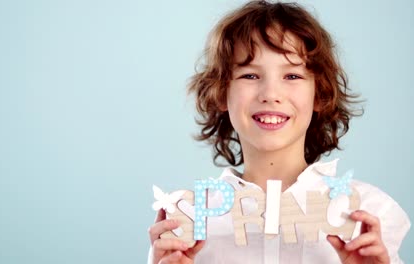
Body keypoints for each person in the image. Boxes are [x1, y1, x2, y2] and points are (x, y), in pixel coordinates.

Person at [147, 1, 411, 263]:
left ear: (319, 94)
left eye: (292, 76)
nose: (271, 95)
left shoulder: (368, 213)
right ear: (220, 94)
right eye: (249, 76)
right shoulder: (187, 221)